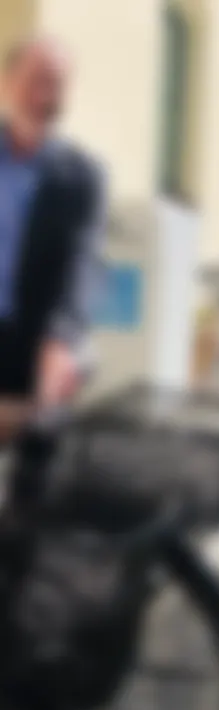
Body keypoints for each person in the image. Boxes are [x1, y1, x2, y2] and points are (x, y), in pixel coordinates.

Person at [0, 37, 99, 438]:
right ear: (6, 82)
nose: (45, 96)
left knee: (36, 474)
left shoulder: (81, 176)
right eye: (36, 80)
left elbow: (82, 264)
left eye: (56, 85)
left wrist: (61, 341)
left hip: (34, 344)